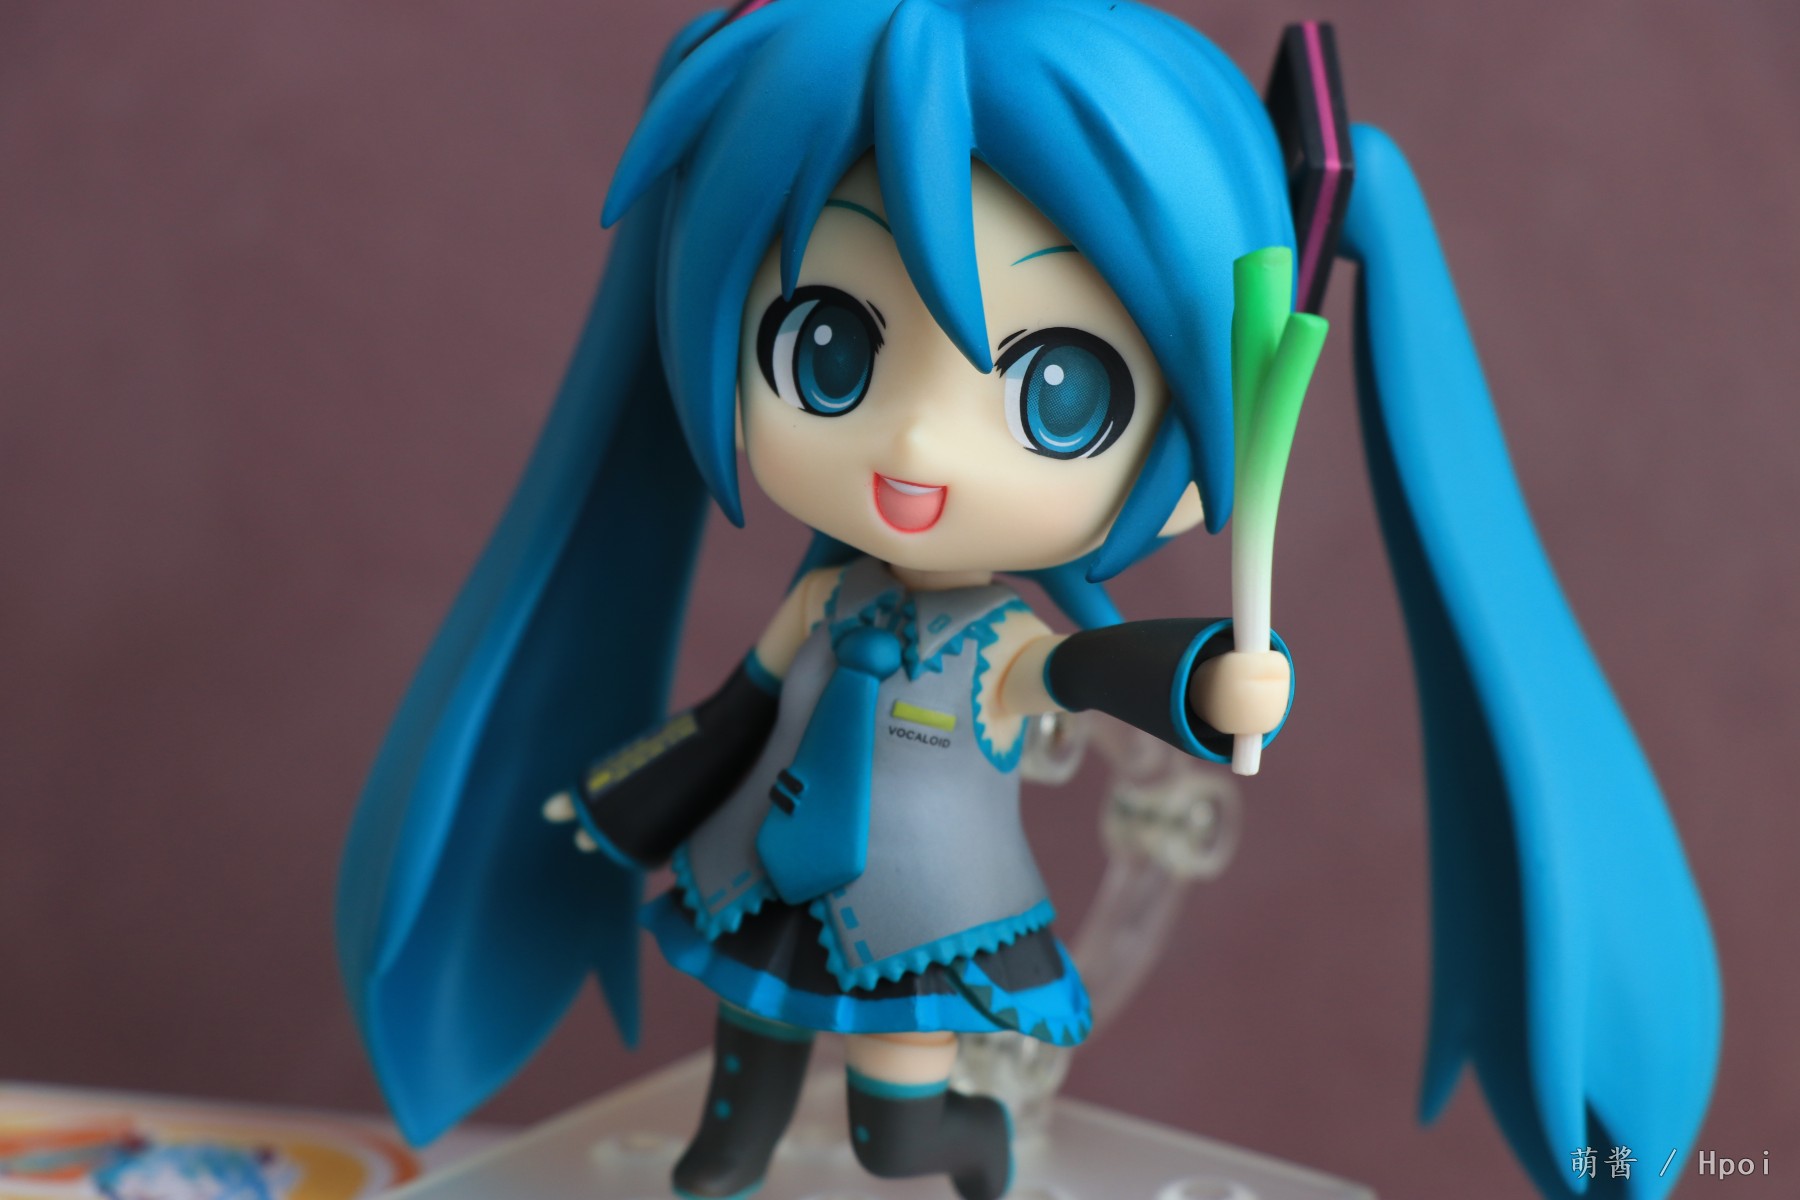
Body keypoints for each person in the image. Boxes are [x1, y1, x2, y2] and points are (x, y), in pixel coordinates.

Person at [337, 3, 1720, 1198]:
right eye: (828, 351)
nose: (916, 446)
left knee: (890, 1131)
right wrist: (625, 797)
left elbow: (1085, 677)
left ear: (1203, 445)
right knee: (742, 1076)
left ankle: (969, 1141)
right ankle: (728, 1155)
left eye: (1056, 391)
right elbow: (735, 714)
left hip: (925, 920)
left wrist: (1206, 683)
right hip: (763, 874)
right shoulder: (825, 609)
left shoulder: (993, 637)